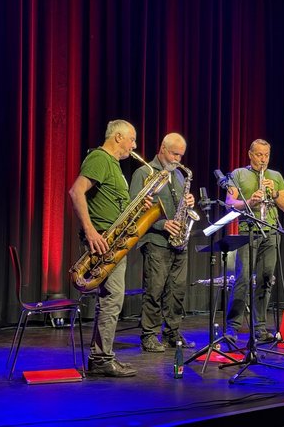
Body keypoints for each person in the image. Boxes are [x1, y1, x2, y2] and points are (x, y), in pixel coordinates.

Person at [69, 119, 139, 377]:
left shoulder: (114, 165)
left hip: (114, 241)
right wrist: (90, 231)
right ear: (118, 137)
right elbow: (76, 191)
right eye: (132, 139)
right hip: (103, 242)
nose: (134, 146)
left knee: (113, 299)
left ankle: (102, 356)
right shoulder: (100, 158)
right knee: (111, 299)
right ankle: (100, 359)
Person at [129, 133, 196, 353]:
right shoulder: (144, 173)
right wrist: (162, 224)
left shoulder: (178, 175)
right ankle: (149, 335)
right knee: (154, 290)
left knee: (177, 291)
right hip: (156, 240)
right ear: (162, 148)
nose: (178, 159)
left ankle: (172, 333)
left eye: (181, 155)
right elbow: (134, 210)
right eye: (175, 154)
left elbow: (179, 206)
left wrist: (189, 202)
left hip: (178, 241)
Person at [224, 139, 284, 342]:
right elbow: (229, 203)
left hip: (271, 232)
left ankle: (260, 327)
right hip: (248, 232)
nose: (263, 159)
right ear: (250, 154)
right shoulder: (238, 174)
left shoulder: (275, 176)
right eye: (259, 155)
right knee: (243, 279)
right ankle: (232, 327)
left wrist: (275, 193)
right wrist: (250, 202)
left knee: (266, 279)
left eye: (266, 155)